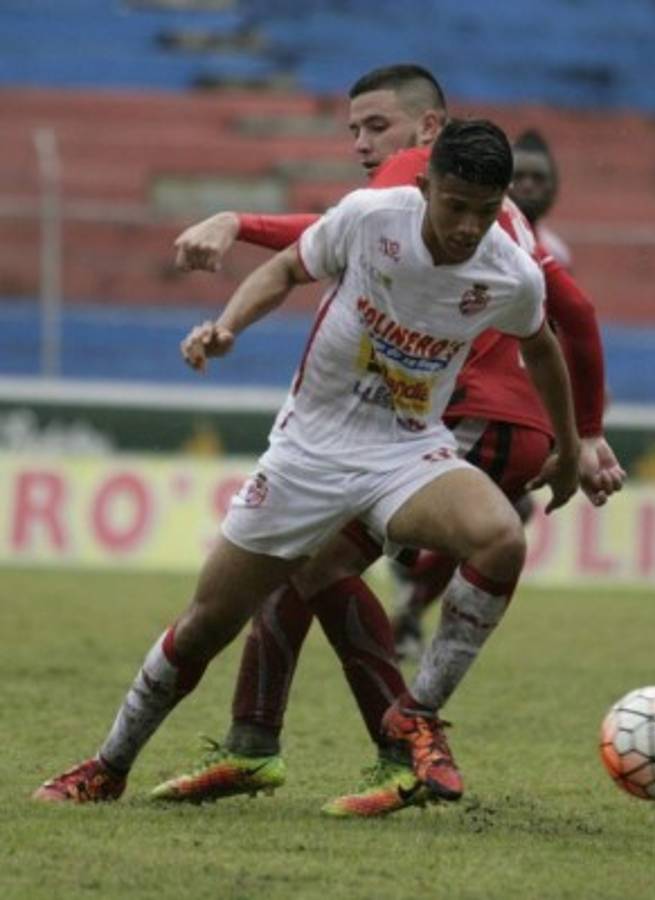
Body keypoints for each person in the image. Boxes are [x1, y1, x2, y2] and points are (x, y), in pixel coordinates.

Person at [32, 118, 582, 812]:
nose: (469, 225)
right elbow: (287, 267)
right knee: (207, 621)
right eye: (454, 205)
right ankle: (108, 766)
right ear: (423, 188)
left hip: (406, 448)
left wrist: (568, 446)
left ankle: (418, 717)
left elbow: (544, 347)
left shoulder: (509, 270)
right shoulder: (370, 218)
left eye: (484, 208)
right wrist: (228, 325)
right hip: (307, 453)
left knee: (501, 538)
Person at [151, 65, 625, 817]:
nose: (364, 146)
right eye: (353, 131)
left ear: (429, 131)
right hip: (497, 424)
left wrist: (237, 222)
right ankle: (274, 743)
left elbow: (321, 239)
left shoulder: (428, 187)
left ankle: (397, 745)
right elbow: (576, 307)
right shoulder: (487, 214)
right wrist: (584, 436)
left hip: (467, 416)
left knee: (307, 563)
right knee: (302, 564)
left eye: (377, 127)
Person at [388, 126, 577, 656]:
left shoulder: (547, 255)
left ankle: (406, 596)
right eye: (527, 178)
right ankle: (400, 586)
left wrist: (582, 427)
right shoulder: (472, 239)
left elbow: (558, 335)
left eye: (544, 178)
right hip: (458, 399)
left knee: (500, 517)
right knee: (486, 518)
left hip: (514, 407)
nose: (535, 187)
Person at [509, 128, 573, 270]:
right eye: (518, 176)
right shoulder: (485, 243)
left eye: (538, 178)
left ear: (552, 185)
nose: (528, 186)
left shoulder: (557, 254)